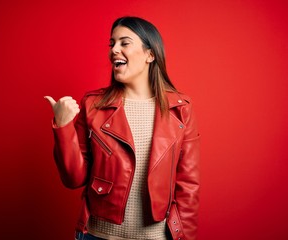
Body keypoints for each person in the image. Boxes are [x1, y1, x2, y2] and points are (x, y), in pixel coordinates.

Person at [45, 16, 200, 240]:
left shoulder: (180, 109)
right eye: (112, 44)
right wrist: (63, 126)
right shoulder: (93, 105)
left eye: (124, 43)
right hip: (99, 236)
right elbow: (73, 179)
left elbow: (189, 186)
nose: (114, 50)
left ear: (150, 54)